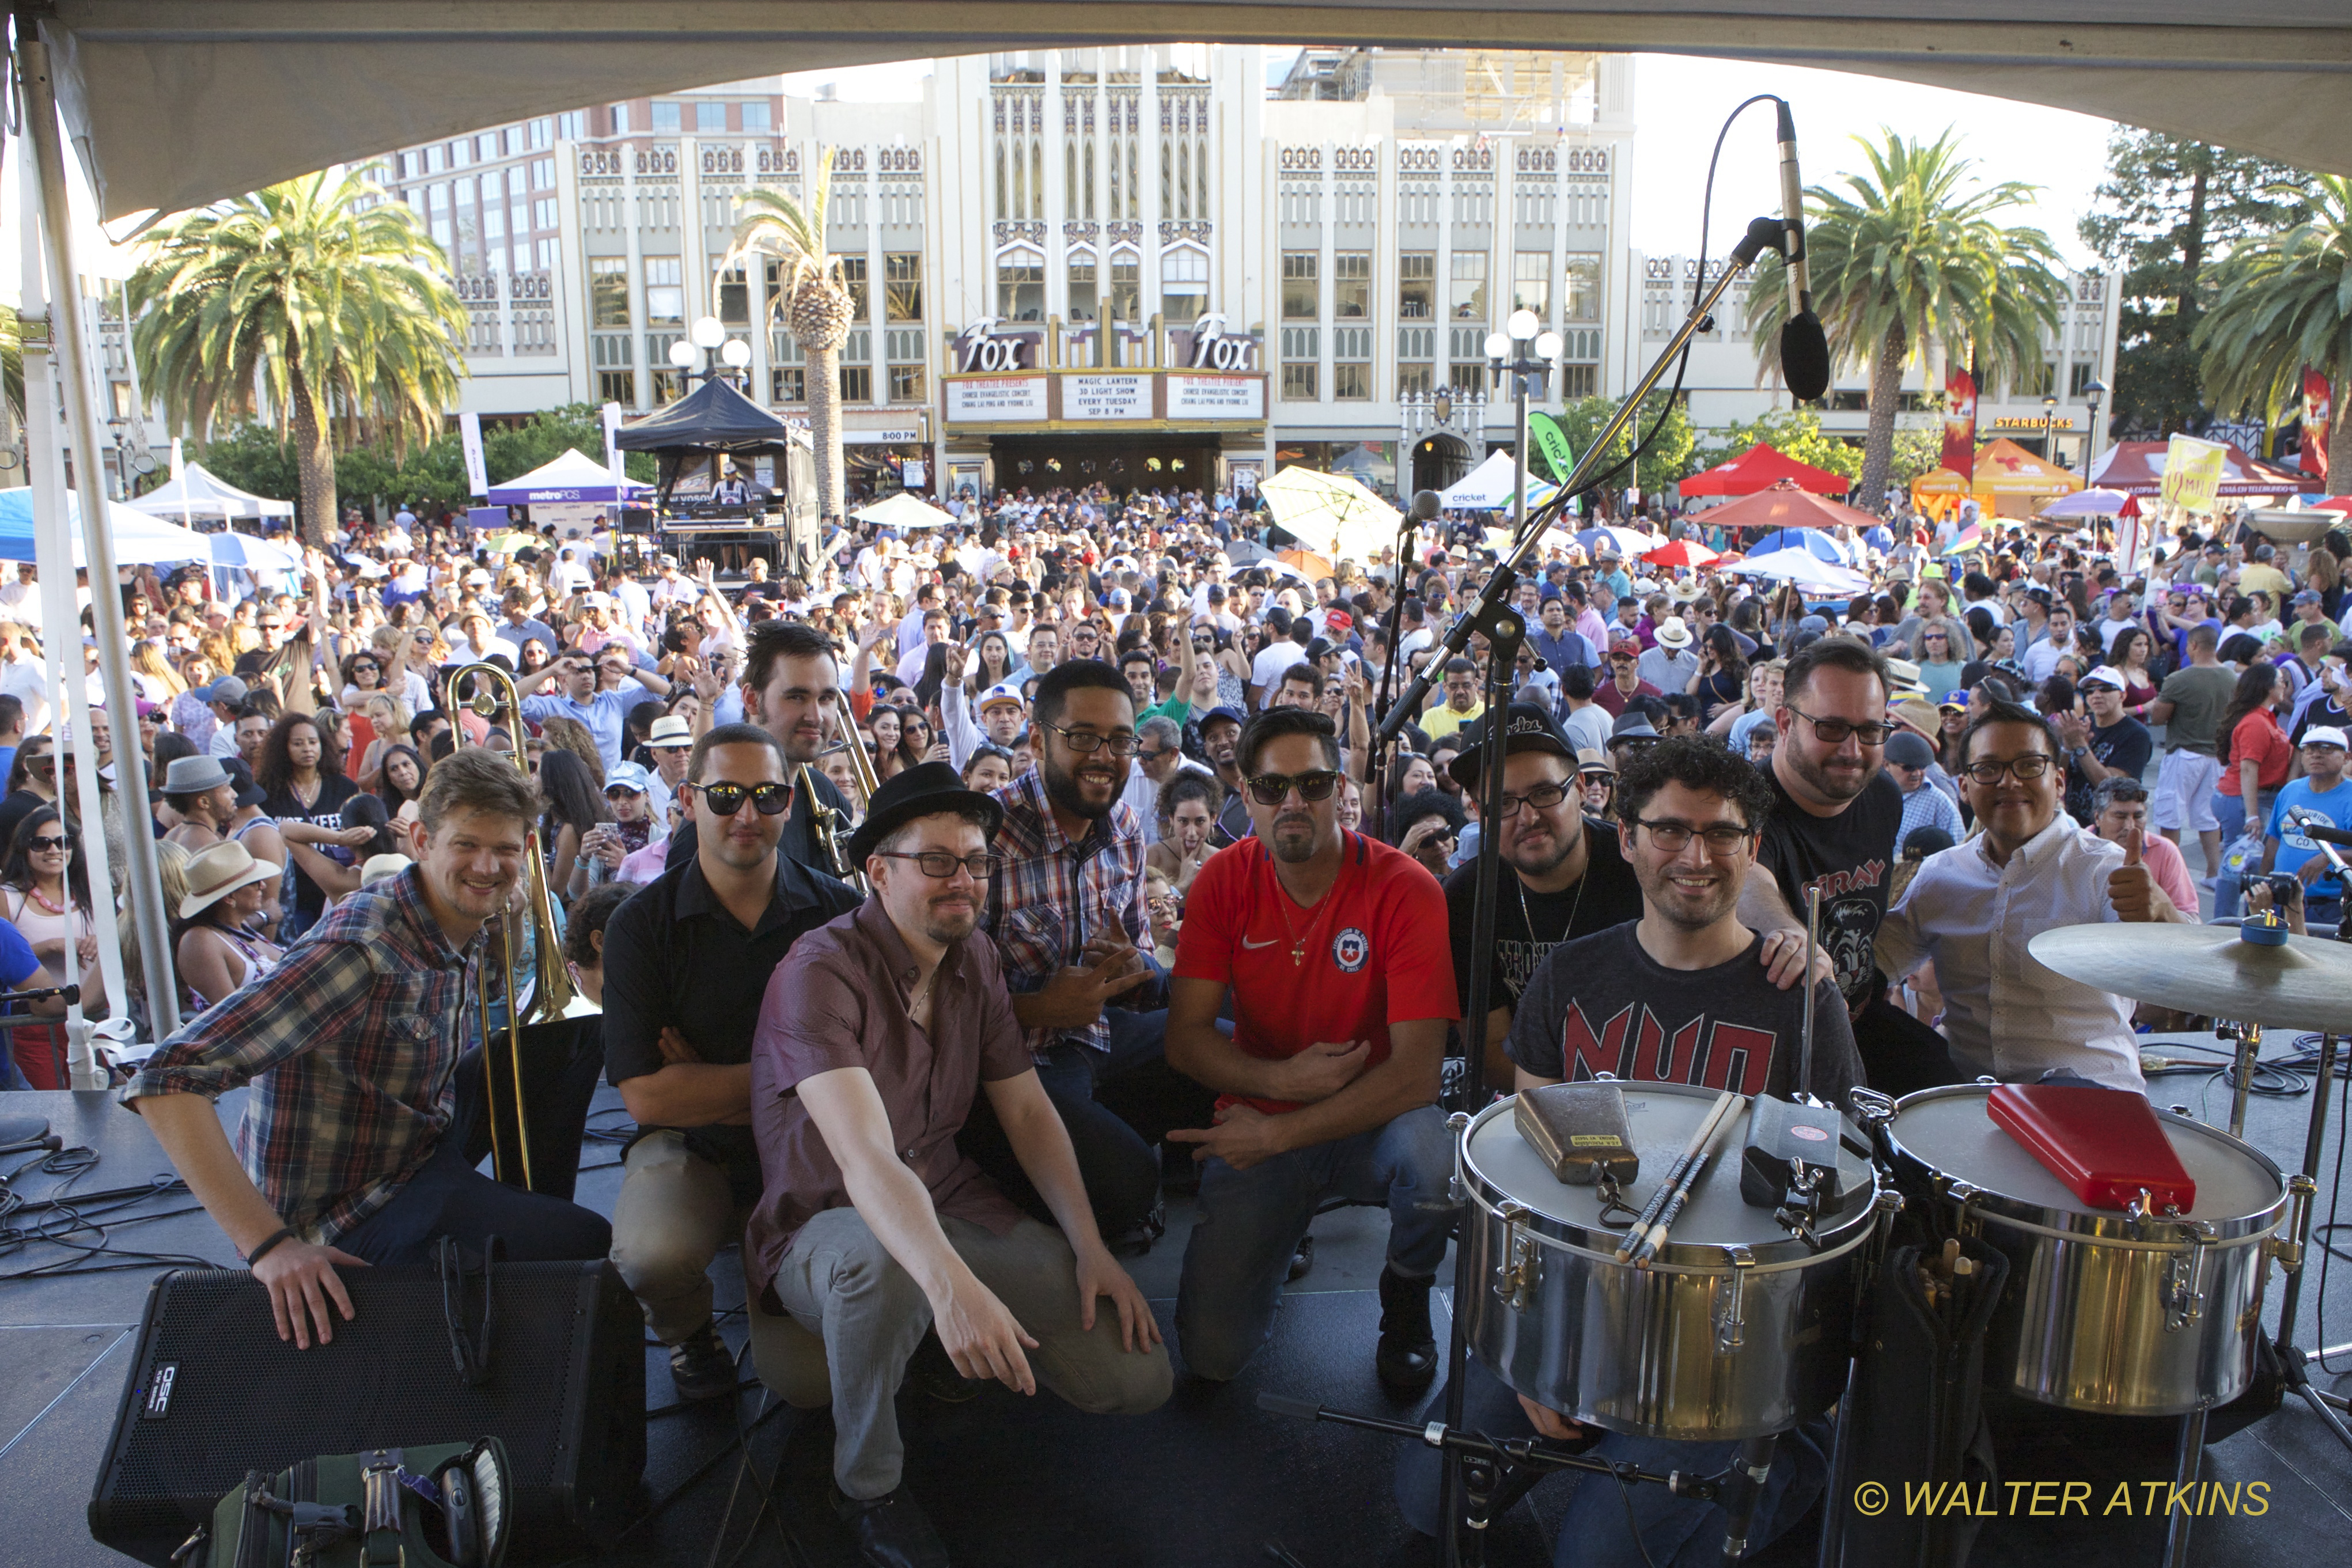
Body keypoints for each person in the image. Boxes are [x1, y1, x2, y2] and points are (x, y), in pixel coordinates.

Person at [1399, 734, 1854, 1568]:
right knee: (1423, 1498)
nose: (1693, 854)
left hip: (1724, 1351)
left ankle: (1786, 1461)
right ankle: (1609, 1437)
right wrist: (1537, 1355)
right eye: (1668, 830)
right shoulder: (1567, 977)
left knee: (1594, 1557)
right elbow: (1536, 1192)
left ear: (1750, 847)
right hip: (1585, 1316)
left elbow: (1827, 1202)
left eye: (1720, 833)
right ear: (1628, 838)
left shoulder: (1800, 1002)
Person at [744, 762, 1170, 1567]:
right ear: (877, 872)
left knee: (1136, 1378)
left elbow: (1027, 1109)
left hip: (948, 1199)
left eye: (975, 861)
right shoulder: (818, 971)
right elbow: (867, 1161)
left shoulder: (973, 958)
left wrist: (1089, 1246)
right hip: (828, 1226)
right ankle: (863, 1485)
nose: (962, 880)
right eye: (935, 861)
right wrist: (953, 1288)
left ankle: (930, 1345)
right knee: (886, 1265)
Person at [120, 750, 613, 1349]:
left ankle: (521, 1214)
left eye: (507, 850)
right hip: (349, 1206)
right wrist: (270, 1246)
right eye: (468, 846)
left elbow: (487, 991)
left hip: (412, 1139)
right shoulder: (363, 946)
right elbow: (168, 1078)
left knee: (572, 1038)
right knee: (581, 1242)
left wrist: (508, 918)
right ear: (424, 840)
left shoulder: (455, 914)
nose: (488, 866)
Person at [1164, 707, 1459, 1389]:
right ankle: (1283, 1226)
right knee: (1211, 1358)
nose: (1293, 802)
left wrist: (1280, 1130)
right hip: (1264, 1107)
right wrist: (1283, 1084)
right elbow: (1184, 1036)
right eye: (1271, 788)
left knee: (1433, 1156)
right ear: (1245, 795)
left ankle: (1408, 1293)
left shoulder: (1406, 888)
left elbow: (1417, 1076)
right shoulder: (1220, 882)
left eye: (1314, 783)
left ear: (1341, 785)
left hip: (1375, 1115)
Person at [599, 722, 860, 1401]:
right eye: (725, 794)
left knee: (811, 1386)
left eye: (768, 795)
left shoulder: (842, 914)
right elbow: (649, 1101)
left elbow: (874, 1069)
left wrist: (702, 1078)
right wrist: (802, 1078)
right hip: (697, 1148)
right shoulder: (640, 926)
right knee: (653, 1256)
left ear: (790, 805)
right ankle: (690, 1335)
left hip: (816, 1150)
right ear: (687, 800)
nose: (747, 813)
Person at [968, 660, 1207, 1247]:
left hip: (1101, 1035)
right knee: (1127, 1185)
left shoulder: (1123, 825)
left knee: (1226, 1042)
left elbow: (1142, 957)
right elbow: (932, 1003)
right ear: (1036, 739)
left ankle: (1172, 1168)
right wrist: (1038, 1009)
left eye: (1121, 740)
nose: (1105, 755)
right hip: (1014, 1067)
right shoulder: (981, 839)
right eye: (1082, 738)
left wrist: (1138, 966)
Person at [1877, 698, 2188, 1091]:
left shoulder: (2103, 869)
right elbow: (1875, 964)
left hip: (2090, 1096)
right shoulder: (1940, 876)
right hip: (1966, 1100)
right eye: (1988, 769)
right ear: (1964, 787)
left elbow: (2181, 976)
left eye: (2028, 765)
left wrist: (2159, 912)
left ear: (2058, 781)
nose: (2009, 782)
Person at [1738, 638, 1957, 1096]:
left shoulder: (1881, 795)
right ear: (1784, 722)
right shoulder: (1742, 805)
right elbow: (1748, 879)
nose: (1853, 750)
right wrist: (1786, 930)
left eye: (1870, 730)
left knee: (1949, 1092)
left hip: (1857, 1018)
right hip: (1773, 1046)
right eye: (1832, 728)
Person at [1440, 705, 1645, 1084]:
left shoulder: (1640, 869)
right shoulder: (1466, 899)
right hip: (1530, 1100)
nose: (1527, 817)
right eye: (1501, 803)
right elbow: (1490, 1050)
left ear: (1581, 789)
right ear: (1478, 813)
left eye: (1545, 792)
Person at [665, 621, 858, 879]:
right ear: (752, 700)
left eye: (826, 699)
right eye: (796, 697)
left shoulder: (824, 792)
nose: (816, 716)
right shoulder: (716, 803)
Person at [2149, 623, 2235, 881]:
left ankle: (2170, 873)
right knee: (2208, 818)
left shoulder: (2180, 679)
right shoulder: (2232, 679)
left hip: (2184, 754)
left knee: (2170, 815)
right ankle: (2214, 871)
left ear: (2194, 645)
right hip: (2217, 757)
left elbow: (2158, 718)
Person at [173, 840, 286, 1014]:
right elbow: (233, 1019)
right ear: (229, 897)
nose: (262, 886)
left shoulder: (240, 929)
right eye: (254, 881)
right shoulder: (200, 941)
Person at [2262, 725, 2352, 931]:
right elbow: (2274, 841)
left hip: (2327, 907)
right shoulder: (2291, 790)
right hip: (2281, 897)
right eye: (2309, 749)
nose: (2317, 754)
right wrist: (2263, 881)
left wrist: (2328, 857)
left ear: (2346, 757)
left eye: (2327, 749)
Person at [2089, 776, 2199, 918]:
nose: (2130, 826)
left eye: (2138, 816)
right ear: (2098, 818)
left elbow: (2191, 919)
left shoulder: (2165, 851)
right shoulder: (2077, 848)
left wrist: (2162, 906)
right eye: (2120, 817)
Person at [2057, 665, 2154, 826]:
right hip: (2073, 823)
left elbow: (2111, 786)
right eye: (2090, 690)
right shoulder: (2082, 725)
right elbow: (2059, 774)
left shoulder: (2137, 735)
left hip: (2109, 827)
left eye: (2105, 689)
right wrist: (2067, 746)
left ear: (2122, 696)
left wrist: (2081, 746)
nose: (2096, 695)